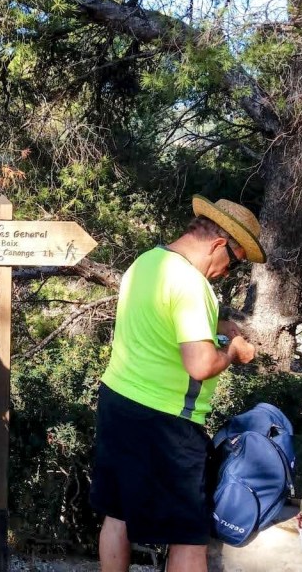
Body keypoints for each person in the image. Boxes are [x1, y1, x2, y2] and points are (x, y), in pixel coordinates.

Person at [90, 196, 266, 572]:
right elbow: (201, 365)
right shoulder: (193, 283)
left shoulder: (146, 262)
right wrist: (234, 350)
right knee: (188, 534)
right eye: (234, 260)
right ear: (219, 244)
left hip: (118, 402)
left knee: (117, 515)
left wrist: (214, 328)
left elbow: (159, 322)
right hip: (167, 422)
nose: (228, 271)